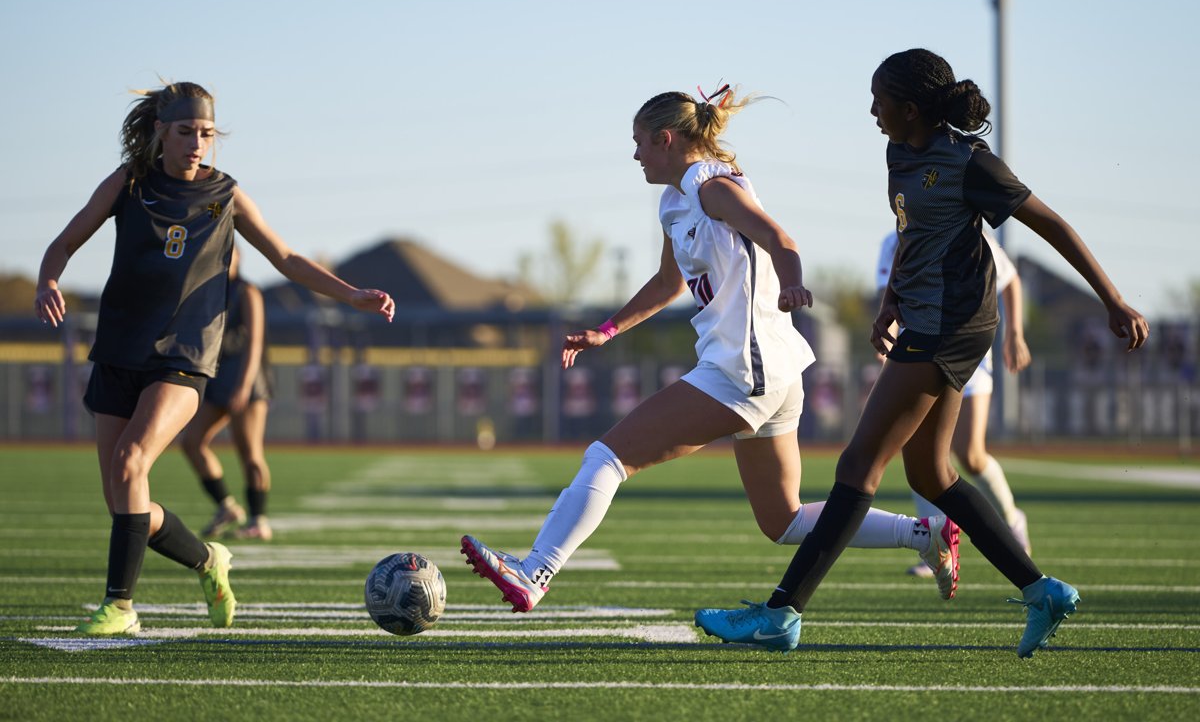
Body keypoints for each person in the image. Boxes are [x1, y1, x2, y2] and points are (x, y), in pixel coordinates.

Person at [695, 49, 1149, 658]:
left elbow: (1053, 225)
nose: (872, 111)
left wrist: (1113, 300)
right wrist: (889, 301)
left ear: (910, 109)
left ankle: (781, 614)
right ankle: (1042, 590)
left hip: (951, 323)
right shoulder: (898, 153)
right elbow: (913, 236)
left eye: (880, 101)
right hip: (927, 318)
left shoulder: (970, 162)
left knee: (858, 468)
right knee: (930, 474)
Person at [460, 84, 962, 612]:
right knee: (783, 521)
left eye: (638, 143)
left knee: (605, 459)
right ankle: (923, 534)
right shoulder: (675, 201)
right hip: (766, 373)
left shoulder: (712, 187)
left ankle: (535, 572)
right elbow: (666, 284)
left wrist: (791, 284)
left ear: (666, 139)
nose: (634, 155)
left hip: (745, 368)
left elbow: (780, 240)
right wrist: (605, 332)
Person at [34, 81, 395, 635]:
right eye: (186, 132)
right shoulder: (127, 184)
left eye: (206, 134)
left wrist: (352, 295)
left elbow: (288, 257)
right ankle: (210, 561)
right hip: (118, 352)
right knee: (125, 503)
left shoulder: (225, 194)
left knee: (133, 462)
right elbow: (62, 243)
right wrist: (47, 279)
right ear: (160, 132)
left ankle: (120, 607)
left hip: (182, 358)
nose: (197, 143)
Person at [875, 226, 1034, 575]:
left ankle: (1012, 520)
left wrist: (1015, 335)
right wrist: (888, 343)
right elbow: (890, 298)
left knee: (971, 455)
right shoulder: (893, 243)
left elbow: (1010, 280)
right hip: (922, 353)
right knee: (917, 449)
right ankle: (939, 545)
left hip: (969, 352)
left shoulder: (967, 229)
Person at [181, 245, 275, 541]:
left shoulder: (247, 291)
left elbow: (254, 343)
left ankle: (259, 520)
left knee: (249, 452)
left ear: (238, 258)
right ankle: (226, 506)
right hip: (218, 377)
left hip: (246, 379)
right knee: (192, 442)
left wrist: (244, 387)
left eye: (230, 253)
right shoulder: (207, 291)